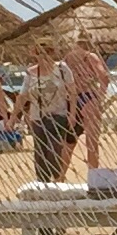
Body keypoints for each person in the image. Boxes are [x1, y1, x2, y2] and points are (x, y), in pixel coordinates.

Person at [24, 43, 75, 182]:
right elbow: (23, 96)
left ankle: (58, 179)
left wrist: (72, 114)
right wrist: (13, 117)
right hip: (38, 116)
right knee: (40, 153)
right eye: (39, 52)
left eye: (47, 52)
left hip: (58, 115)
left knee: (54, 150)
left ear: (52, 52)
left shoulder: (62, 68)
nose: (43, 55)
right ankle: (43, 183)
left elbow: (72, 92)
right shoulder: (31, 72)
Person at [63, 33, 110, 176]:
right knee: (92, 142)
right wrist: (100, 97)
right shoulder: (91, 57)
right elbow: (104, 77)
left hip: (71, 99)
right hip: (89, 96)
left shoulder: (68, 58)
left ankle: (60, 177)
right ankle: (93, 177)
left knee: (69, 143)